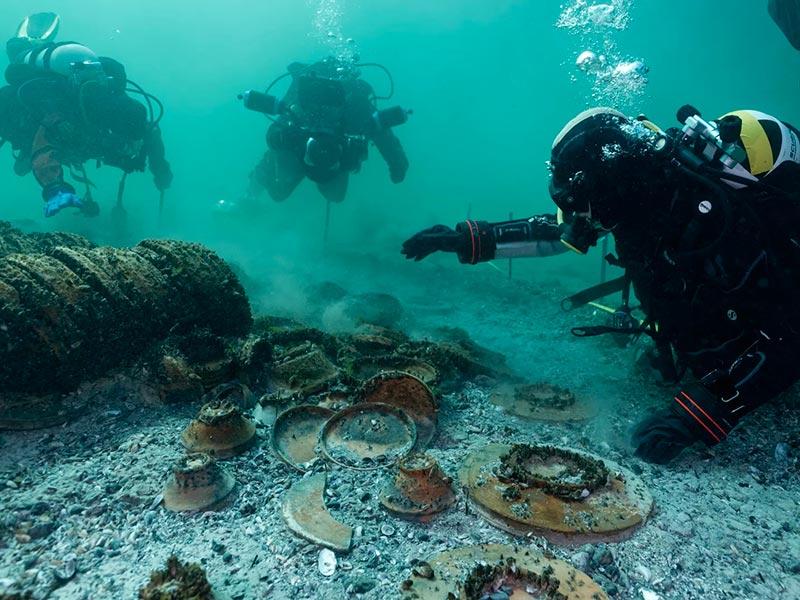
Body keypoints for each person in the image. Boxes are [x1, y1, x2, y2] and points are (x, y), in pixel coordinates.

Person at [401, 105, 800, 464]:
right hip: (710, 349)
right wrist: (464, 239)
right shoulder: (631, 200)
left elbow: (792, 338)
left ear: (609, 190)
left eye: (585, 207)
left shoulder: (719, 218)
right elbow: (554, 234)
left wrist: (700, 414)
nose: (582, 219)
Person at [0, 12, 172, 218]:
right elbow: (44, 144)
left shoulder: (110, 108)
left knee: (25, 164)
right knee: (25, 164)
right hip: (50, 133)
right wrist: (56, 189)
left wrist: (157, 168)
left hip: (69, 137)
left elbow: (148, 132)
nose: (131, 146)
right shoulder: (74, 110)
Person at [240, 57, 409, 205]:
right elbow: (275, 133)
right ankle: (265, 167)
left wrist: (397, 163)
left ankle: (270, 168)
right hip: (296, 150)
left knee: (335, 196)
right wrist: (287, 138)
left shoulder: (357, 104)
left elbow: (381, 131)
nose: (327, 93)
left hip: (336, 156)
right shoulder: (303, 98)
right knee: (279, 193)